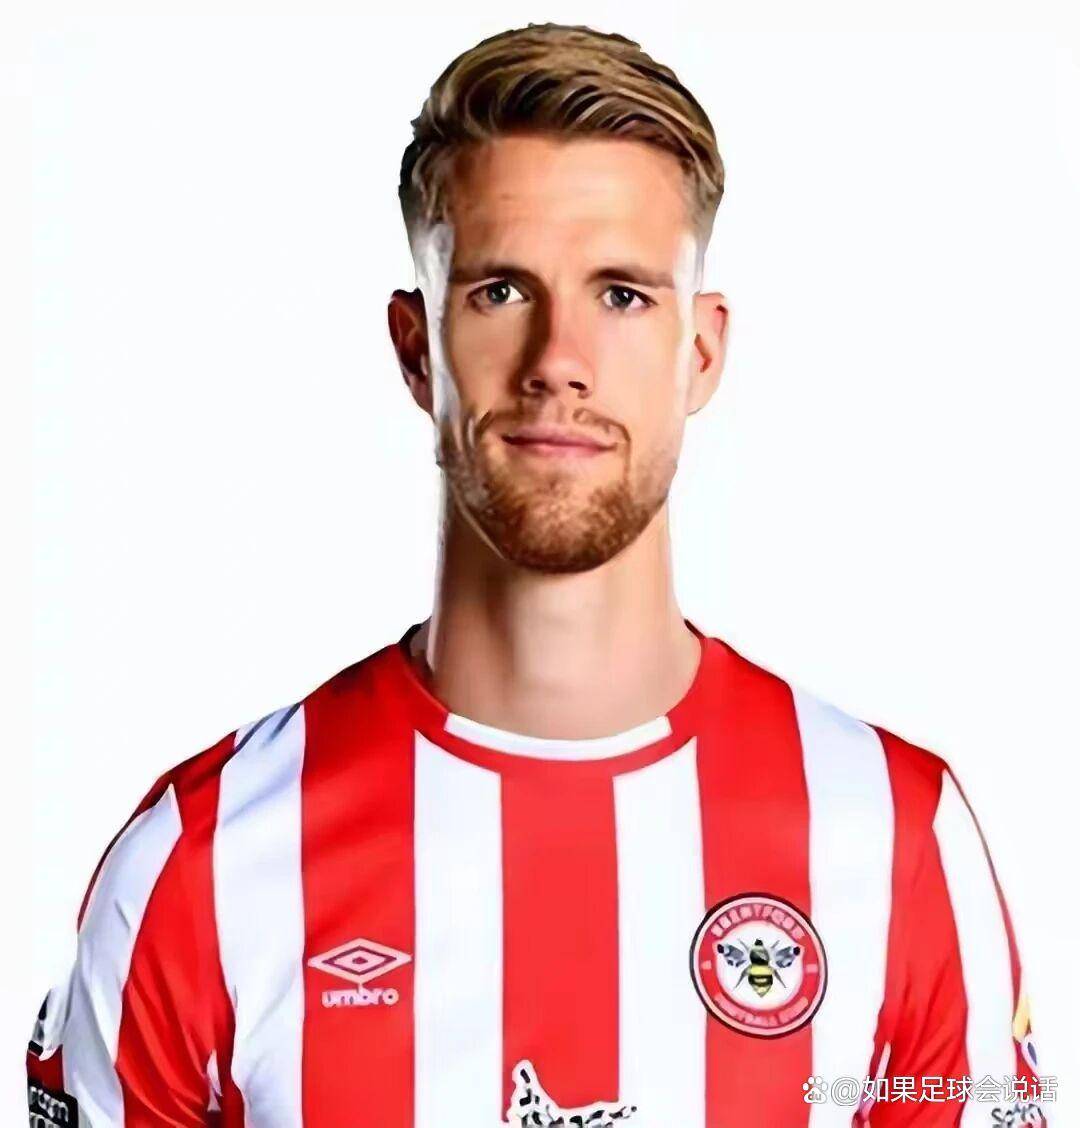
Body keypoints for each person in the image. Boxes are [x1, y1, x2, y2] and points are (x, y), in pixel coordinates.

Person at [28, 22, 1047, 1128]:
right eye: (501, 290)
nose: (559, 359)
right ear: (415, 347)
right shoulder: (205, 864)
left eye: (623, 295)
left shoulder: (895, 839)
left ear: (701, 351)